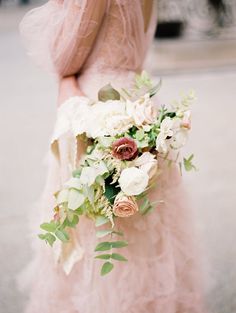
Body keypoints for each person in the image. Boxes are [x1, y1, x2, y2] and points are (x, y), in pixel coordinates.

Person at [19, 1, 206, 312]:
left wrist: (65, 79)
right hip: (139, 103)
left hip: (98, 111)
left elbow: (65, 57)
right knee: (144, 231)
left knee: (96, 226)